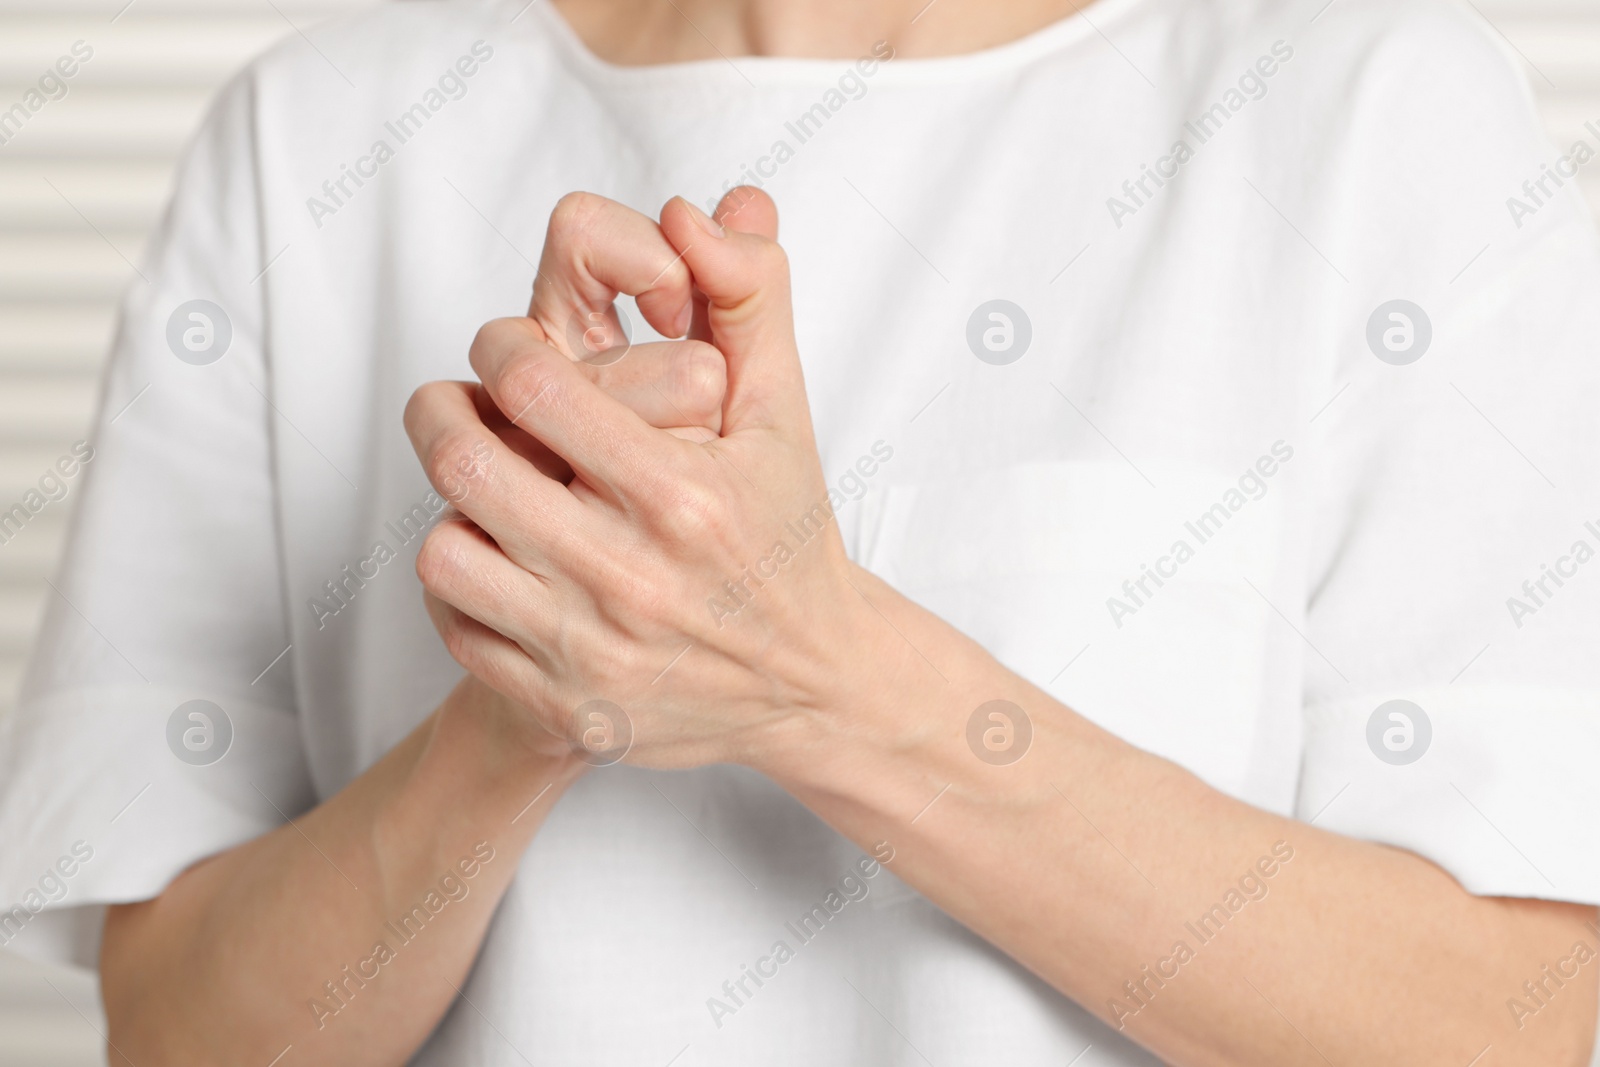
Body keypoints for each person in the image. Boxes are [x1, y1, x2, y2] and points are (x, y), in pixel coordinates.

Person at [1, 0, 1598, 1063]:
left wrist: (820, 676)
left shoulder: (1363, 103)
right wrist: (535, 693)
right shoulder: (311, 140)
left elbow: (1525, 1020)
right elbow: (183, 1034)